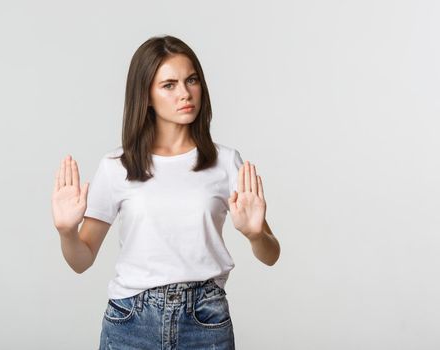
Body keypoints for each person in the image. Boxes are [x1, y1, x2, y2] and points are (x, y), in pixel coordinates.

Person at [51, 35, 280, 349]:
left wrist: (256, 236)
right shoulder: (117, 166)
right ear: (146, 96)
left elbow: (271, 254)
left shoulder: (225, 162)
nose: (185, 93)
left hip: (205, 321)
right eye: (169, 85)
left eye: (191, 80)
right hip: (131, 322)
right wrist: (66, 232)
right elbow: (81, 261)